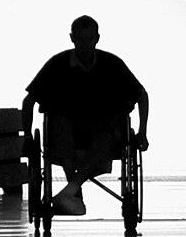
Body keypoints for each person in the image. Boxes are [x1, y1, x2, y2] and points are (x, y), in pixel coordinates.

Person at [22, 15, 148, 215]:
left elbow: (141, 95)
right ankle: (74, 192)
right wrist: (28, 136)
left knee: (106, 139)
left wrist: (142, 132)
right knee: (61, 125)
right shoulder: (58, 64)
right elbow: (29, 101)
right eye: (80, 39)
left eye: (89, 39)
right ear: (72, 38)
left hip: (102, 130)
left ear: (97, 39)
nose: (85, 45)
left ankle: (71, 191)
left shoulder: (112, 64)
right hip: (67, 129)